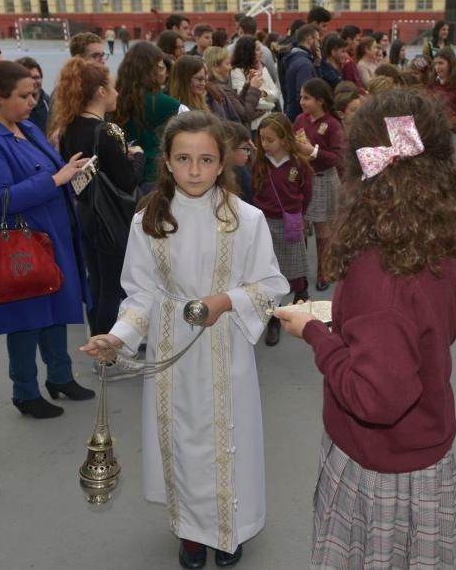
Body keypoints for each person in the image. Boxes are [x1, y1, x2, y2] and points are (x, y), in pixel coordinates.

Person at [275, 89, 456, 570]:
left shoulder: (378, 270)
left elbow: (375, 399)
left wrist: (317, 334)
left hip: (382, 463)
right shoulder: (448, 233)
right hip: (427, 441)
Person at [80, 112, 289, 570]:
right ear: (168, 163)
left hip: (226, 348)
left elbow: (272, 285)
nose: (195, 170)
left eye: (206, 160)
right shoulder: (149, 220)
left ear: (222, 164)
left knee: (226, 436)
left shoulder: (246, 220)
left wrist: (225, 300)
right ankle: (191, 531)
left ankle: (230, 528)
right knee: (182, 440)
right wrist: (116, 338)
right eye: (184, 159)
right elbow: (140, 293)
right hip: (172, 354)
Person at [0, 61, 95, 419]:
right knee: (24, 316)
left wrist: (68, 170)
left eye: (33, 94)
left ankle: (60, 376)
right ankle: (24, 390)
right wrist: (57, 179)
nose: (32, 102)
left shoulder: (24, 127)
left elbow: (50, 170)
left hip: (51, 234)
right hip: (22, 242)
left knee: (54, 308)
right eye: (23, 95)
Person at [53, 58, 146, 338]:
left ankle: (98, 340)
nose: (117, 94)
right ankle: (107, 351)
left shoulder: (68, 127)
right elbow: (129, 179)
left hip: (86, 211)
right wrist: (138, 156)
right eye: (114, 88)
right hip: (111, 217)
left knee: (97, 283)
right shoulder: (108, 131)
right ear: (101, 92)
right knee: (114, 286)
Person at [253, 113, 314, 345]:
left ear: (284, 139)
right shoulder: (260, 163)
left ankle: (301, 292)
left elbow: (306, 192)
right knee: (270, 270)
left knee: (295, 265)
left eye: (270, 140)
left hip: (290, 220)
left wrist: (298, 214)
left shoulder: (298, 164)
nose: (264, 144)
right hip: (265, 221)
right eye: (262, 139)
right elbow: (255, 190)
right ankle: (274, 318)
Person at [293, 78, 345, 291]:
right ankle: (299, 272)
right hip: (304, 180)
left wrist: (311, 151)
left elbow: (338, 158)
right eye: (301, 97)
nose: (302, 102)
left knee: (323, 231)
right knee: (301, 228)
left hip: (324, 180)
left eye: (307, 98)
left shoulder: (332, 124)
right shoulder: (299, 119)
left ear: (321, 101)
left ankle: (324, 271)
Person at [117, 42, 185, 189]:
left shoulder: (114, 100)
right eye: (160, 67)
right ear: (148, 71)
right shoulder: (168, 104)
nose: (164, 73)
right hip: (155, 176)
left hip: (123, 174)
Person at [427, 46, 456, 174]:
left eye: (441, 63)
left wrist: (451, 122)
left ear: (450, 64)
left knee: (452, 175)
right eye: (435, 64)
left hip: (452, 135)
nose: (437, 67)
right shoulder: (431, 84)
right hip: (433, 135)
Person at [202, 45, 262, 126]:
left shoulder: (216, 86)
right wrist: (254, 89)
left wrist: (247, 85)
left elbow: (237, 106)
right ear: (216, 67)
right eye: (227, 64)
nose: (230, 67)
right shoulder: (220, 89)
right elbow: (244, 115)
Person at [230, 35, 279, 132]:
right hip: (253, 126)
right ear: (248, 52)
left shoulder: (263, 68)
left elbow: (276, 94)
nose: (261, 52)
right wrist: (269, 104)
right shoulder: (237, 71)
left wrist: (263, 93)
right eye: (257, 50)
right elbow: (244, 101)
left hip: (268, 122)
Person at [282, 23, 321, 121]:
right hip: (301, 119)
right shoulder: (304, 65)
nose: (319, 45)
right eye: (317, 40)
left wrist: (317, 64)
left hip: (293, 115)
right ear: (309, 39)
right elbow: (305, 95)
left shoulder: (296, 59)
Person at [16, 57, 52, 135]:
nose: (33, 82)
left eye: (36, 77)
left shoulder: (51, 106)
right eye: (28, 78)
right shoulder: (12, 109)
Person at [222, 119, 255, 204]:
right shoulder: (240, 173)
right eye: (245, 149)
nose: (248, 153)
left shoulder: (242, 168)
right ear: (229, 148)